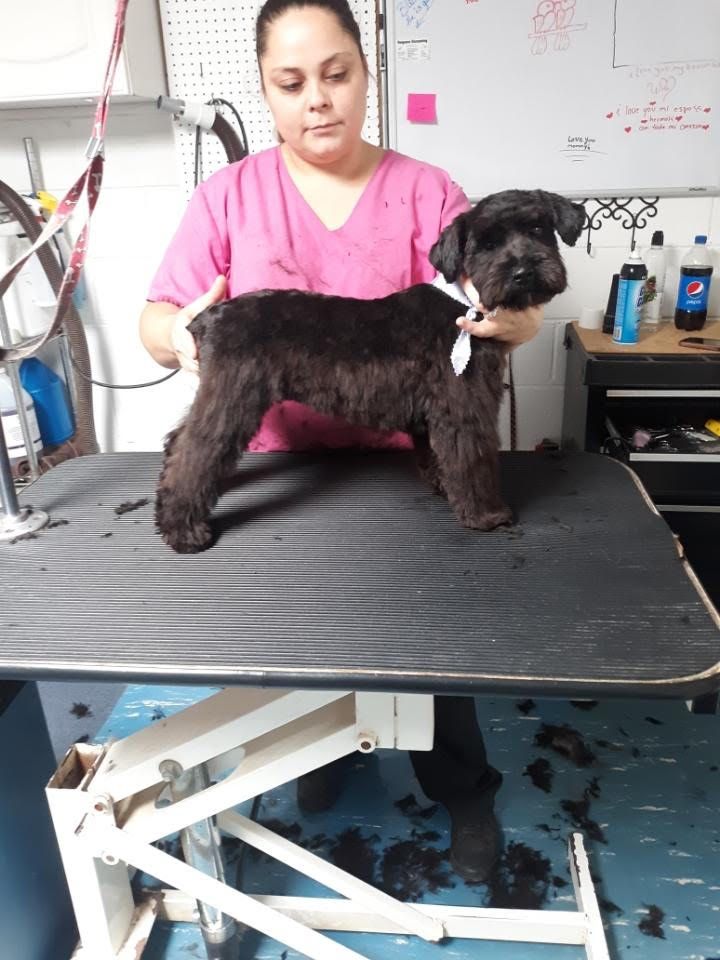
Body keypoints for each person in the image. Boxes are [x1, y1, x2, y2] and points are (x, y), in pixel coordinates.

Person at [140, 0, 543, 882]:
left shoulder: (432, 192)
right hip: (286, 474)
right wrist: (177, 335)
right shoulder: (229, 196)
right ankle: (317, 759)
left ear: (367, 75)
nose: (317, 100)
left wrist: (511, 322)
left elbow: (507, 301)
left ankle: (463, 791)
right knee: (294, 647)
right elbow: (158, 316)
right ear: (266, 91)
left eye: (336, 75)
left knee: (440, 653)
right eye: (291, 83)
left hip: (400, 474)